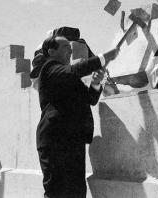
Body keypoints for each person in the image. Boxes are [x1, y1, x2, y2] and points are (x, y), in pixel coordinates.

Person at [31, 35, 119, 198]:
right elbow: (74, 70)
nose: (70, 51)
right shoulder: (49, 68)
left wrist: (95, 83)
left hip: (73, 140)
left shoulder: (68, 76)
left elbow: (90, 100)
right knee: (56, 190)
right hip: (54, 140)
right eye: (65, 47)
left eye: (70, 48)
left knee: (77, 190)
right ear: (51, 51)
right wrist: (103, 58)